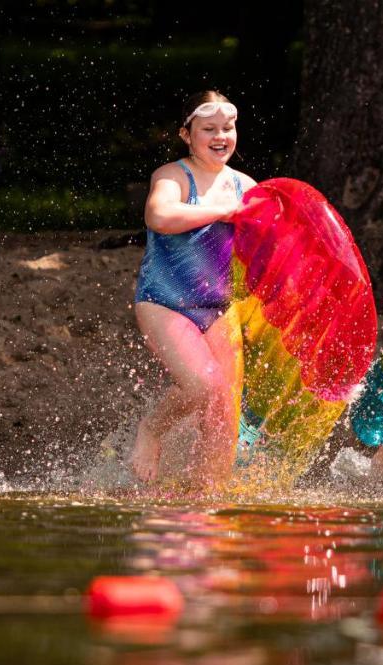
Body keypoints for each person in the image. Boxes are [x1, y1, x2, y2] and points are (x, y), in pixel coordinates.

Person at [128, 91, 257, 486]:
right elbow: (160, 216)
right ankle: (151, 431)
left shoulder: (246, 185)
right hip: (165, 302)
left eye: (228, 128)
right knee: (202, 385)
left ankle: (203, 498)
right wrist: (223, 212)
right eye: (208, 129)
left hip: (219, 309)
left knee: (224, 415)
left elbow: (264, 254)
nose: (221, 136)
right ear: (187, 134)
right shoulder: (172, 176)